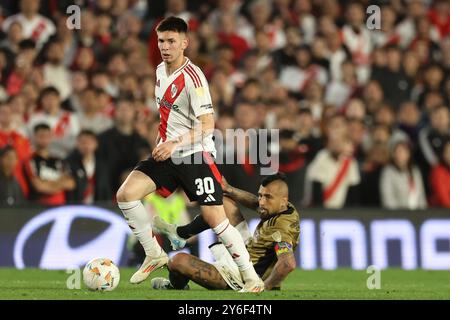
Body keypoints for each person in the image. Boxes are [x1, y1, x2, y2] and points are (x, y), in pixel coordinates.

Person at [115, 16, 264, 292]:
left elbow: (208, 124)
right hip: (168, 154)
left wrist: (174, 143)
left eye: (172, 41)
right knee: (126, 194)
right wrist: (163, 142)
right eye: (161, 41)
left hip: (195, 155)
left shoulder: (194, 78)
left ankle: (252, 278)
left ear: (185, 43)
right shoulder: (160, 70)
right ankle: (154, 253)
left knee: (215, 220)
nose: (165, 46)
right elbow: (168, 117)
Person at [150, 173, 299, 291]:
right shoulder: (284, 207)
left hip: (241, 275)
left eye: (267, 197)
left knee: (177, 261)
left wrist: (265, 286)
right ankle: (182, 234)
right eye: (261, 195)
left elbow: (288, 264)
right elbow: (254, 202)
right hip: (247, 250)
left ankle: (176, 286)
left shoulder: (282, 229)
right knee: (223, 201)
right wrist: (229, 189)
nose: (261, 202)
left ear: (283, 200)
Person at [23, 123, 75, 206]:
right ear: (34, 137)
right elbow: (39, 186)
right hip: (38, 207)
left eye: (47, 136)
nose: (44, 139)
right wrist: (59, 184)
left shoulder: (58, 160)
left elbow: (70, 183)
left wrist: (48, 184)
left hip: (60, 205)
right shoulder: (30, 160)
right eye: (41, 136)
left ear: (51, 137)